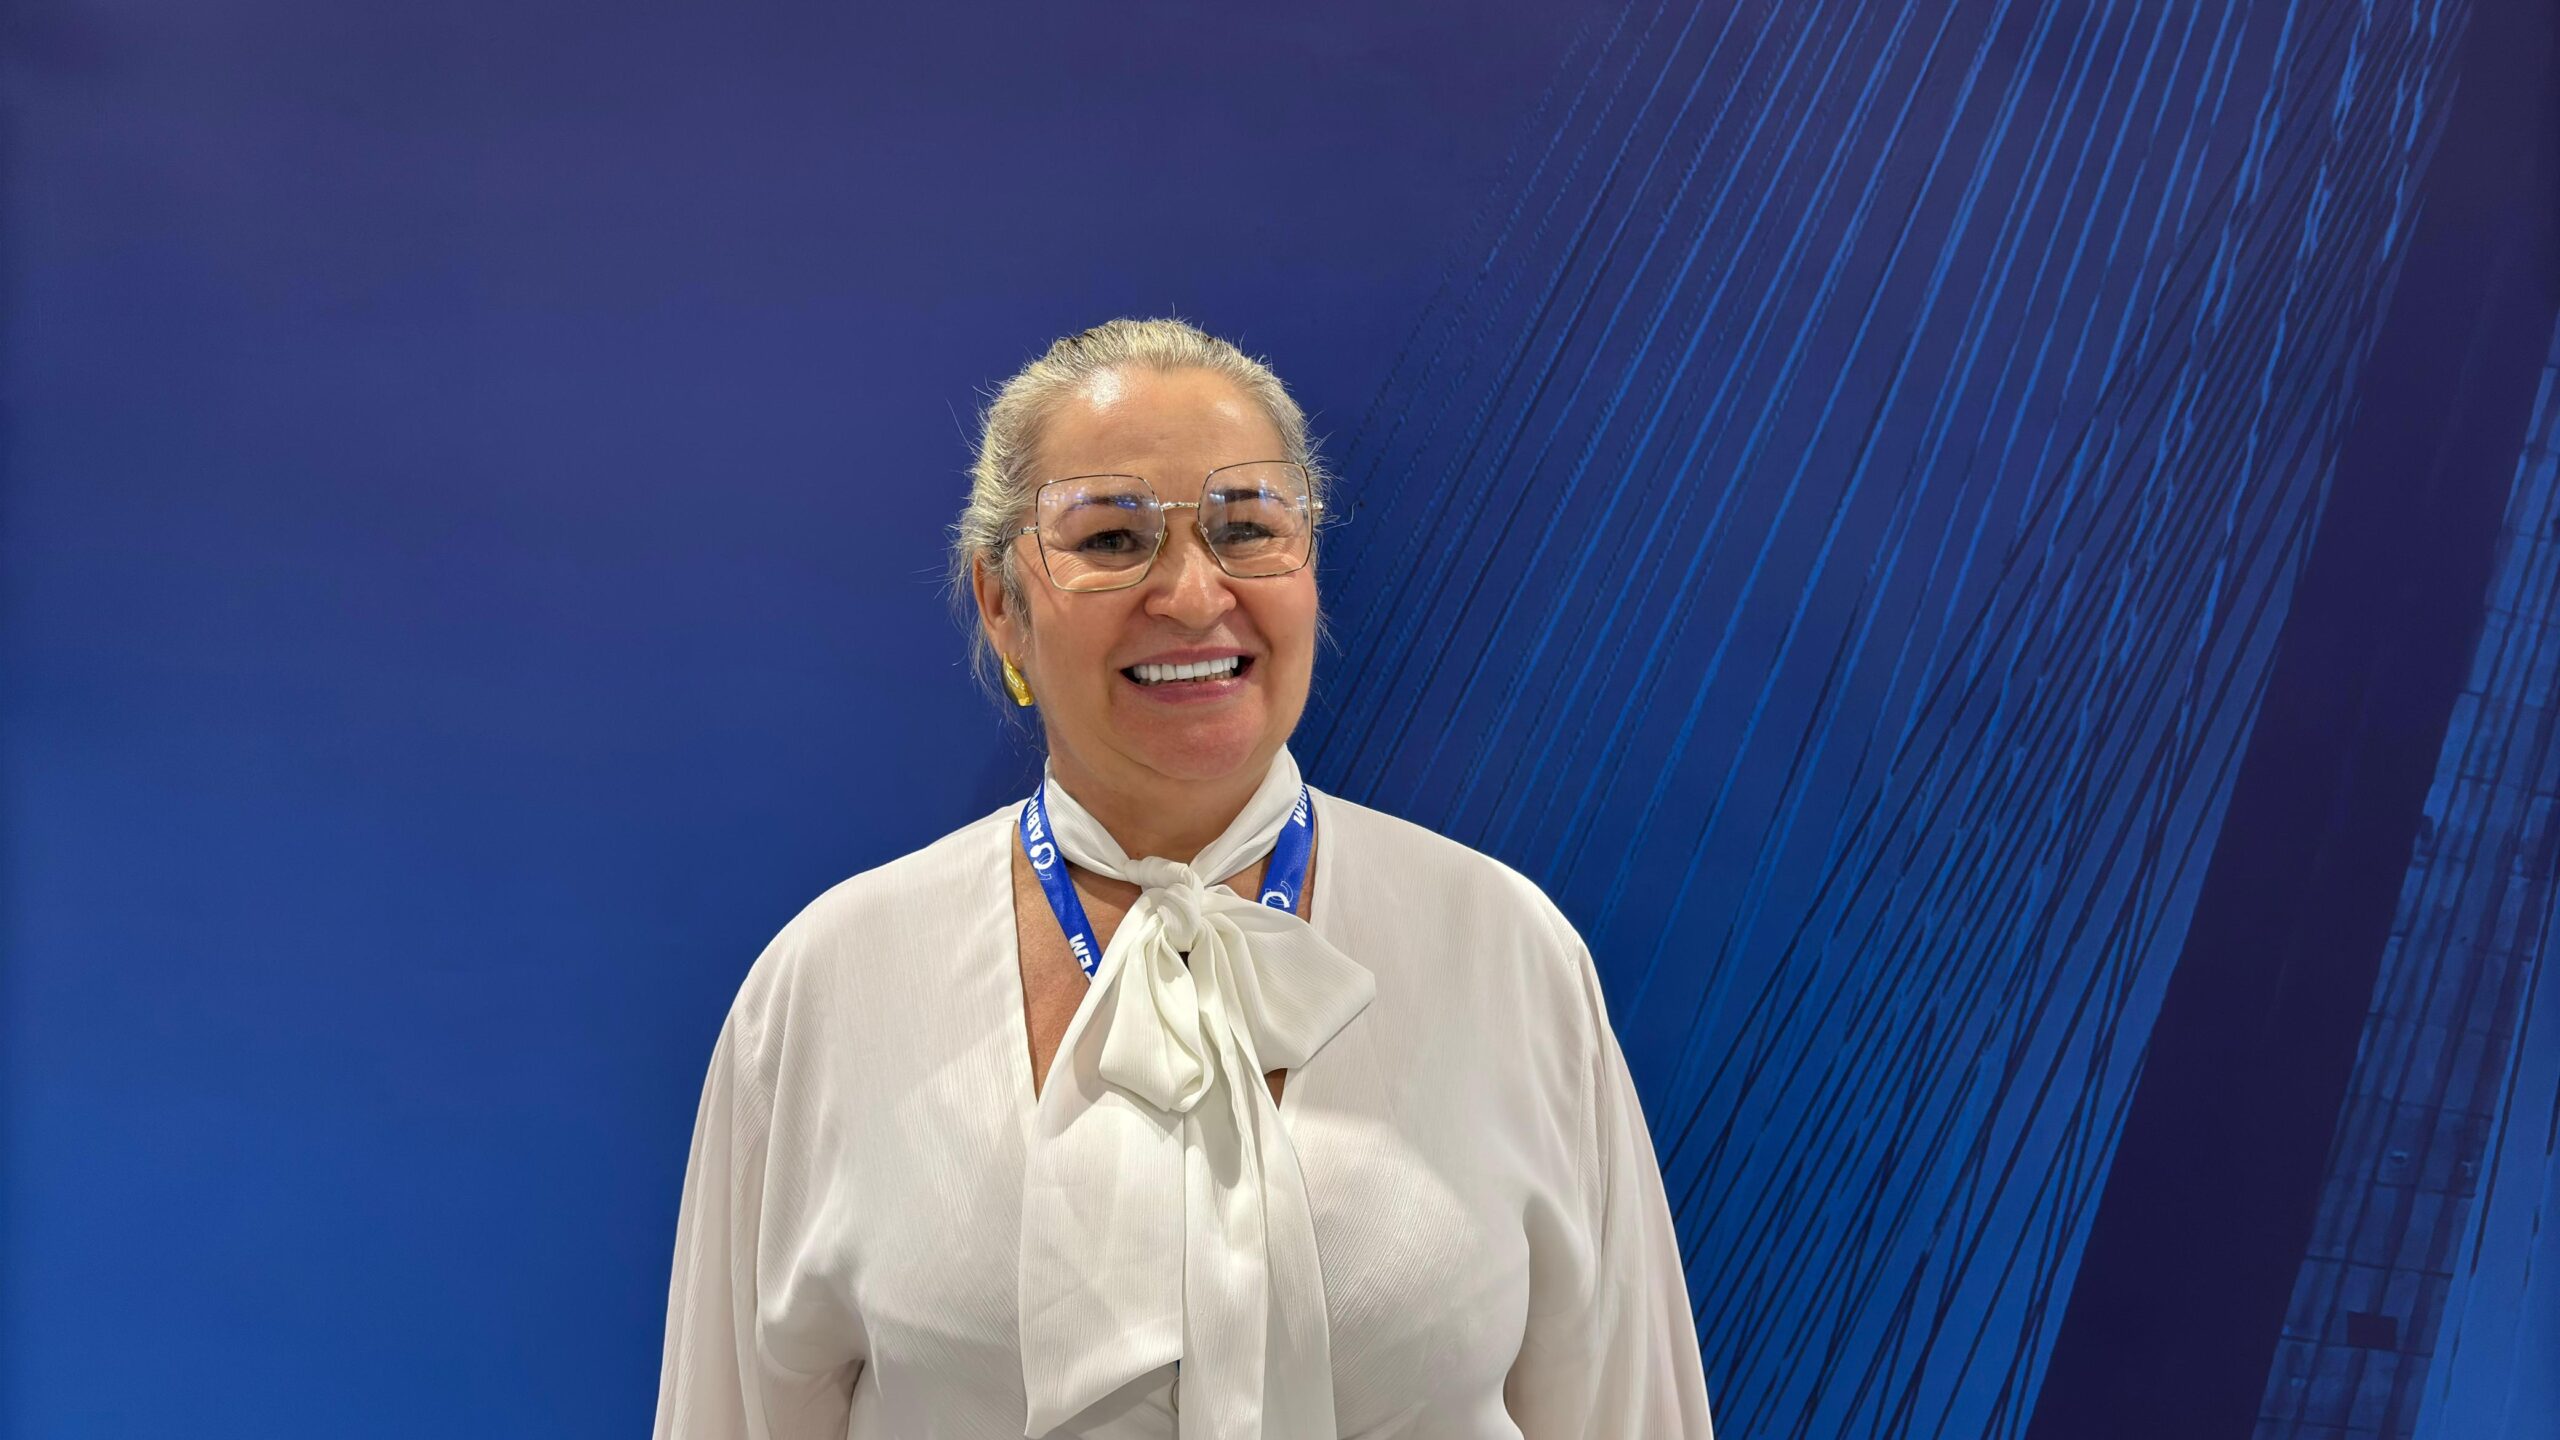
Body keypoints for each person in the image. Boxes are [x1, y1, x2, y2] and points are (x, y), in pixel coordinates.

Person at [655, 318, 1714, 1439]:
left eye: (1245, 527)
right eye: (1112, 538)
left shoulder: (1508, 952)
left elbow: (1630, 1414)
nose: (1194, 594)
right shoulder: (827, 988)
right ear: (1002, 603)